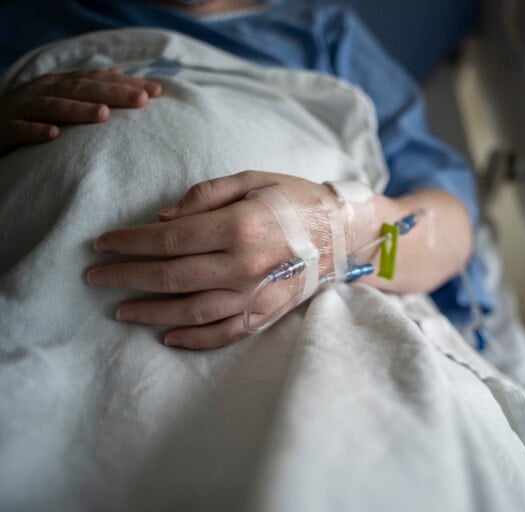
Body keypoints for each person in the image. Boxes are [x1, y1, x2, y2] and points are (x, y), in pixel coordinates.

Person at [0, 0, 489, 349]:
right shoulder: (25, 20)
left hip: (312, 333)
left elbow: (447, 230)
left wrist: (336, 232)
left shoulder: (324, 34)